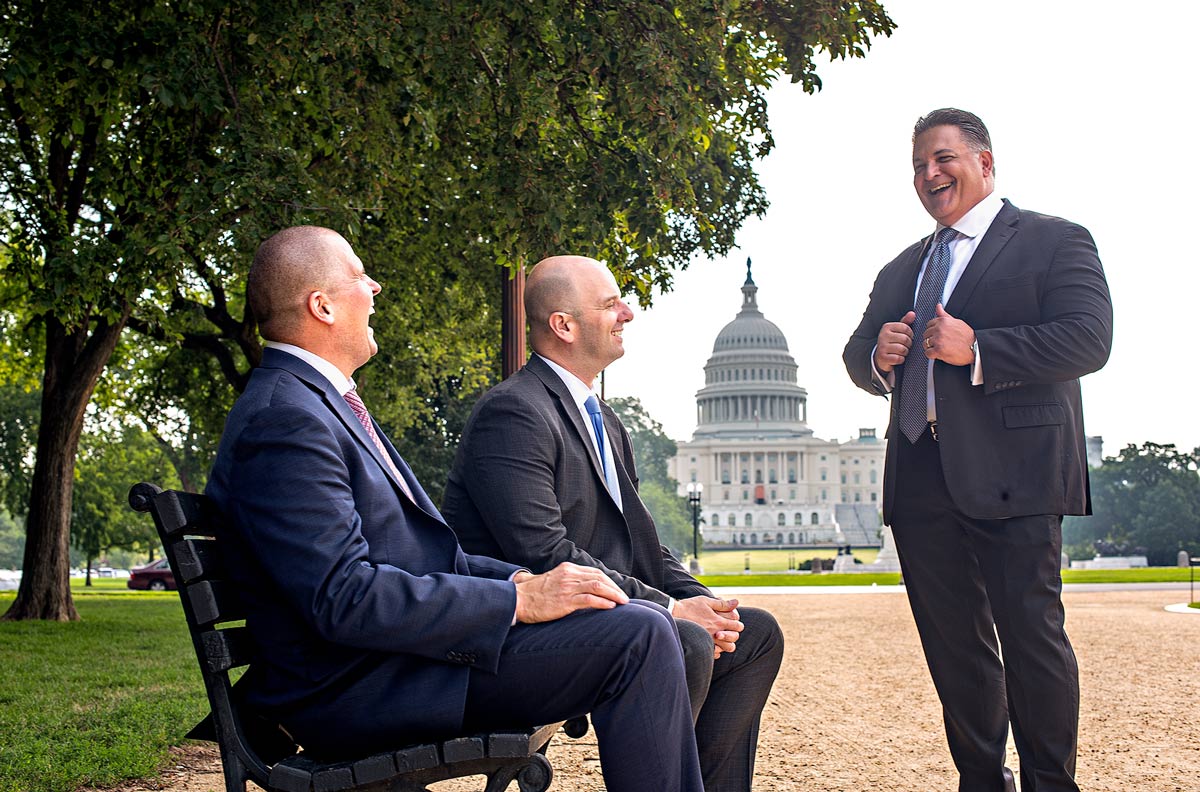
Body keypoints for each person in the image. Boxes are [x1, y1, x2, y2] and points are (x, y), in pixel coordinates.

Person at [204, 226, 703, 792]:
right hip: (360, 686)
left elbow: (425, 555)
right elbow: (343, 597)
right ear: (321, 306)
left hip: (398, 661)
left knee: (644, 626)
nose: (376, 289)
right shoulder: (287, 418)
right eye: (360, 277)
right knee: (640, 635)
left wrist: (520, 578)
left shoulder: (318, 403)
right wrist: (517, 598)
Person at [842, 109, 1113, 792]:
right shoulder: (903, 266)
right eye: (917, 166)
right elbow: (854, 353)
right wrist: (878, 357)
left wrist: (981, 349)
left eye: (943, 159)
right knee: (955, 651)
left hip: (1015, 472)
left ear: (985, 163)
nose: (929, 175)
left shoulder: (1054, 240)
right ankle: (981, 781)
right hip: (921, 475)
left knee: (1031, 641)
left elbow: (1089, 339)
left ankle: (1052, 783)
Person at [443, 255, 784, 792]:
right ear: (564, 325)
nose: (627, 312)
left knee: (754, 635)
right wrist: (673, 610)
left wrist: (707, 603)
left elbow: (642, 544)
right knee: (683, 638)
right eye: (609, 304)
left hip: (597, 614)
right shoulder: (513, 413)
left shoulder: (602, 418)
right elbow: (544, 552)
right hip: (520, 632)